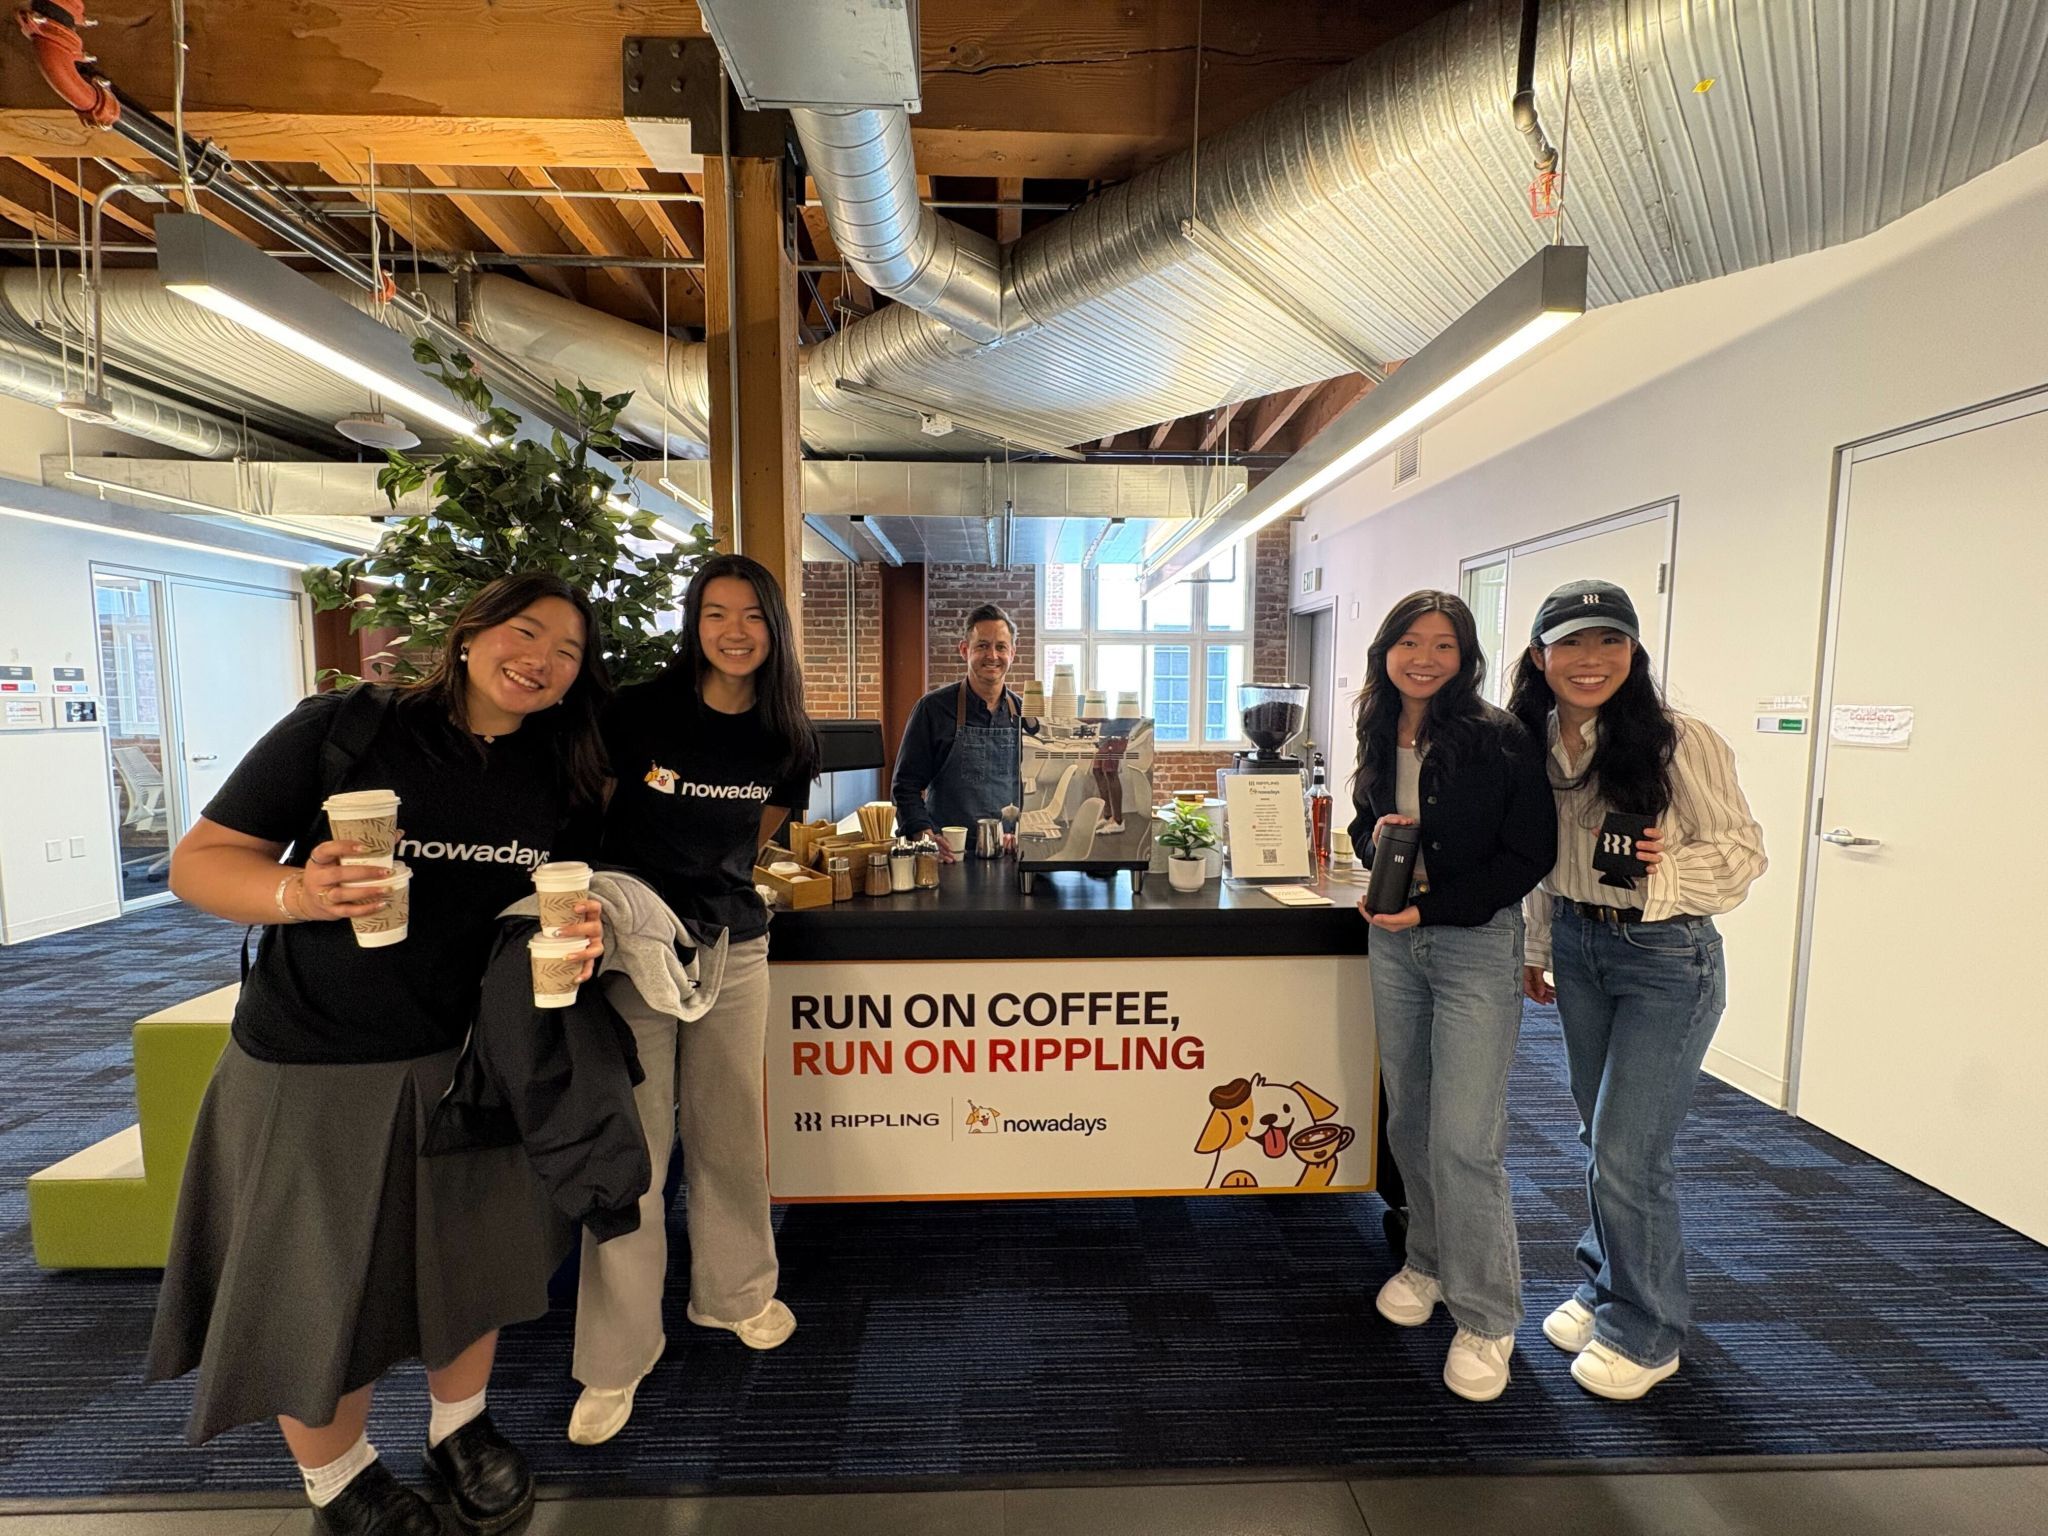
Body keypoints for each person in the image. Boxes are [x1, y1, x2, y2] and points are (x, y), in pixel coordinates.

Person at [148, 573, 609, 1536]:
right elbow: (199, 862)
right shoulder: (349, 728)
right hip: (315, 1057)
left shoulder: (556, 765)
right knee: (318, 1283)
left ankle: (460, 1426)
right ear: (471, 633)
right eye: (525, 633)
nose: (542, 661)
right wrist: (300, 894)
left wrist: (578, 934)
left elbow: (542, 899)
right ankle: (337, 1473)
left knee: (469, 1256)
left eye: (568, 652)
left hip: (464, 1055)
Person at [569, 552, 820, 1446]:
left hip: (733, 945)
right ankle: (617, 1355)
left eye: (751, 615)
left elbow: (749, 843)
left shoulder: (788, 736)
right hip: (635, 948)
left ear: (773, 627)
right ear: (693, 623)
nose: (733, 632)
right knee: (636, 1146)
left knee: (730, 1133)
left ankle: (736, 1295)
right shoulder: (637, 713)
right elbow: (591, 820)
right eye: (716, 614)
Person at [1511, 579, 1766, 1402]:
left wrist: (1666, 868)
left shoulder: (1677, 741)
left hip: (1666, 958)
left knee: (1630, 1150)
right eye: (1571, 643)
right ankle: (1606, 1283)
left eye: (1610, 641)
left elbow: (1742, 854)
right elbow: (1546, 859)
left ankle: (1647, 1332)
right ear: (1541, 656)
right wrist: (1541, 944)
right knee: (1600, 1134)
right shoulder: (1537, 741)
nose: (1591, 660)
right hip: (1581, 944)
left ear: (1633, 651)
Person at [1348, 591, 1556, 1403]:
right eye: (1410, 642)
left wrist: (1430, 909)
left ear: (1465, 657)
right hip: (1394, 944)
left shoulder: (1499, 736)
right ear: (1387, 651)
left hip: (1473, 945)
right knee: (1410, 1118)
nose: (1424, 658)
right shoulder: (1377, 725)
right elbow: (1369, 821)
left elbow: (1530, 853)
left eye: (1443, 645)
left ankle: (1488, 1316)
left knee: (1466, 1138)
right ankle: (1428, 1262)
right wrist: (1375, 842)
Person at [892, 602, 1022, 859]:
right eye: (982, 646)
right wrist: (925, 837)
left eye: (1001, 647)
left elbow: (1033, 791)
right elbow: (905, 786)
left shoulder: (1024, 715)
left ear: (1012, 653)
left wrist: (1023, 832)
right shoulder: (933, 709)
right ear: (965, 650)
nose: (992, 656)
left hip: (1009, 854)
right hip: (949, 856)